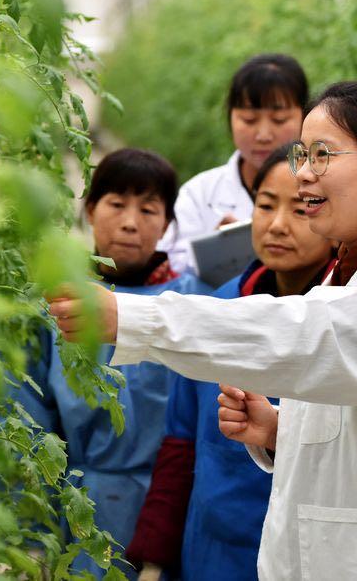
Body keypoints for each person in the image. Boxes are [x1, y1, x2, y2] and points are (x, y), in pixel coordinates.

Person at [48, 81, 357, 580]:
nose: (304, 173)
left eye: (323, 155)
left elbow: (305, 336)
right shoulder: (349, 274)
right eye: (303, 154)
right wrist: (282, 430)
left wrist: (134, 318)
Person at [125, 145, 335, 581]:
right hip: (209, 550)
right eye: (265, 205)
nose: (277, 225)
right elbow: (181, 441)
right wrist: (154, 555)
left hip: (304, 552)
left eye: (300, 210)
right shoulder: (216, 310)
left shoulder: (342, 323)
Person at [13, 148, 210, 580]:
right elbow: (27, 420)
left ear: (168, 223)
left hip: (170, 510)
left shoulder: (196, 302)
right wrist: (32, 532)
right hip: (77, 508)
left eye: (148, 209)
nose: (130, 222)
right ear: (89, 210)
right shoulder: (57, 305)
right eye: (116, 204)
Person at [158, 54, 308, 275]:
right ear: (230, 117)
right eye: (249, 119)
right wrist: (216, 252)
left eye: (279, 120)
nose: (263, 135)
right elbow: (167, 266)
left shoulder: (321, 189)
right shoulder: (200, 194)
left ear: (306, 117)